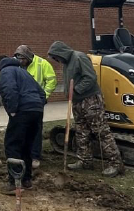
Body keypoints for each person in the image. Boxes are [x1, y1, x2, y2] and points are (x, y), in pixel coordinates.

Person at [47, 41, 124, 177]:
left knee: (101, 132)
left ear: (61, 53)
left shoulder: (79, 57)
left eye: (56, 57)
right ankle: (85, 161)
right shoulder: (66, 63)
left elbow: (90, 77)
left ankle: (116, 164)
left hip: (90, 100)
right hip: (77, 102)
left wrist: (76, 90)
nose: (56, 60)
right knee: (81, 132)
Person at [0, 54, 47, 192]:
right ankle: (26, 180)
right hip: (36, 111)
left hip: (21, 111)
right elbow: (42, 93)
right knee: (27, 145)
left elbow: (9, 90)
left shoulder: (6, 71)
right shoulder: (24, 72)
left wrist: (12, 110)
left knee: (12, 144)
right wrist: (38, 106)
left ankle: (14, 183)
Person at [14, 45, 57, 166]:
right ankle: (23, 154)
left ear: (28, 56)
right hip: (22, 103)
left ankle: (35, 156)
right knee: (21, 128)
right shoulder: (17, 65)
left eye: (23, 59)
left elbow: (52, 80)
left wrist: (44, 96)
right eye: (19, 58)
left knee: (36, 129)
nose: (21, 61)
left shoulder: (42, 64)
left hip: (36, 103)